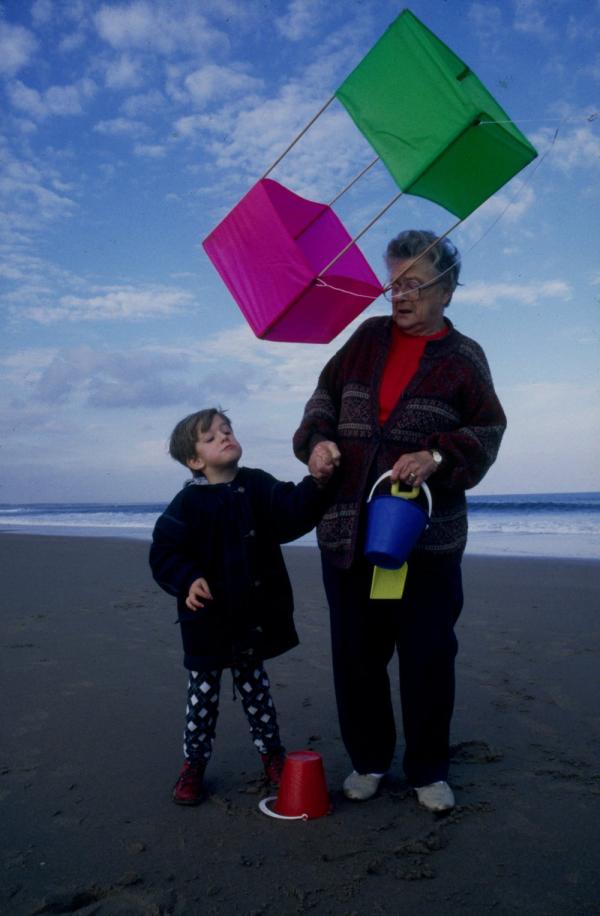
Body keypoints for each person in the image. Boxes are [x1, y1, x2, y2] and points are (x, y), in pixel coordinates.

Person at [293, 230, 506, 812]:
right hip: (348, 529)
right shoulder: (363, 339)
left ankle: (429, 768)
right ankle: (368, 760)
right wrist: (317, 443)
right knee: (356, 657)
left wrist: (437, 456)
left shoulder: (466, 358)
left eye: (413, 282)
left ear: (447, 287)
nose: (399, 294)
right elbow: (322, 400)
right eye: (393, 282)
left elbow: (487, 433)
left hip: (426, 541)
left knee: (428, 656)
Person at [150, 408, 325, 805]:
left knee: (256, 691)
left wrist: (316, 484)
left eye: (226, 430)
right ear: (195, 460)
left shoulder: (258, 484)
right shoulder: (187, 503)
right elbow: (164, 551)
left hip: (251, 618)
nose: (224, 437)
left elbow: (292, 513)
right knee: (203, 696)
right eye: (210, 438)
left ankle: (272, 756)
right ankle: (193, 763)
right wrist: (186, 578)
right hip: (206, 621)